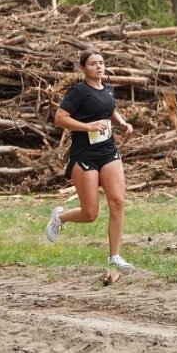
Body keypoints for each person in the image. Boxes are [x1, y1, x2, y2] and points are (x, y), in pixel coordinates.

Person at [47, 49, 135, 270]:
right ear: (84, 68)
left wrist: (122, 122)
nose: (99, 66)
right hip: (85, 154)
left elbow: (110, 111)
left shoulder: (108, 89)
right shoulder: (79, 92)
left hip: (108, 151)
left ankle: (114, 256)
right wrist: (88, 126)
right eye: (93, 63)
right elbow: (60, 118)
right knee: (90, 214)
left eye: (102, 63)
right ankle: (61, 217)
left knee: (117, 201)